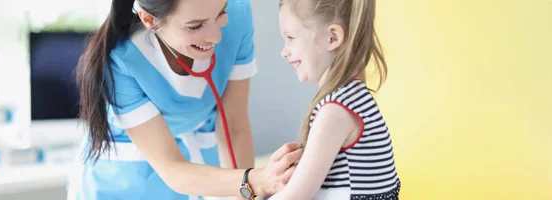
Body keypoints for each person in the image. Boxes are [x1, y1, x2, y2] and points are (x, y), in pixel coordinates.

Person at [67, 0, 303, 199]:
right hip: (123, 182)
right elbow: (173, 169)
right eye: (195, 26)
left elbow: (234, 125)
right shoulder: (122, 61)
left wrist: (246, 193)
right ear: (150, 20)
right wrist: (256, 180)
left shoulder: (237, 11)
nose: (216, 37)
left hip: (198, 170)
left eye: (221, 14)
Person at [270, 0, 402, 199]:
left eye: (290, 37)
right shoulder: (355, 97)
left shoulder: (335, 111)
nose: (284, 51)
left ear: (332, 37)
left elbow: (296, 196)